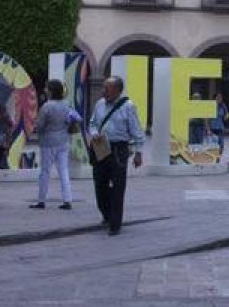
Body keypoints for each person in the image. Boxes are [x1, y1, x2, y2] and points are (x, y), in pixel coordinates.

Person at [88, 76, 145, 236]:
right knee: (100, 184)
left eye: (107, 88)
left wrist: (138, 153)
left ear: (118, 90)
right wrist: (94, 133)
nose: (103, 91)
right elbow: (92, 123)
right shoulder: (99, 104)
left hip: (118, 149)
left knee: (118, 187)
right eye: (103, 87)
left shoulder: (128, 107)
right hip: (100, 146)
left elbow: (136, 131)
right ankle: (106, 213)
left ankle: (115, 223)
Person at [30, 79, 79, 210]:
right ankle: (67, 200)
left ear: (51, 91)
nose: (45, 90)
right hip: (63, 140)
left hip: (48, 141)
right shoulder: (67, 104)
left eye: (46, 88)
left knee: (45, 171)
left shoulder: (47, 106)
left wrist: (35, 127)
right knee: (63, 170)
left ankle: (41, 200)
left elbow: (40, 126)